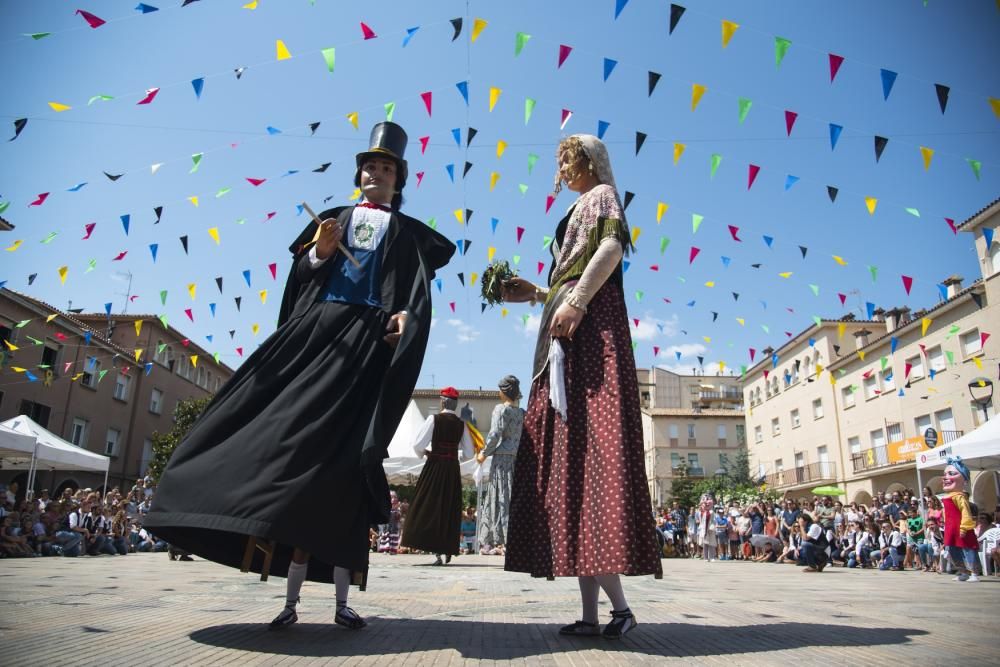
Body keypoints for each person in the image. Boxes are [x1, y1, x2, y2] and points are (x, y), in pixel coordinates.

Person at [144, 121, 455, 630]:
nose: (376, 173)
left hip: (365, 347)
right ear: (360, 174)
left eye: (387, 168)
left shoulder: (404, 233)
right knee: (277, 429)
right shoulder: (332, 219)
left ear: (399, 180)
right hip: (319, 333)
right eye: (370, 166)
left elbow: (412, 297)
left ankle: (340, 602)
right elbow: (301, 277)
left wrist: (404, 319)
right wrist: (320, 253)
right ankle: (282, 593)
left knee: (342, 468)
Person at [501, 134, 661, 640]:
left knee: (589, 459)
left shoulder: (602, 196)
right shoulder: (577, 208)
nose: (561, 169)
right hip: (568, 333)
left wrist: (577, 302)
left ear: (589, 161)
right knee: (575, 469)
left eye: (568, 160)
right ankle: (598, 615)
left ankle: (616, 611)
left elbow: (611, 248)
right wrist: (537, 293)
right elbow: (568, 279)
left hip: (587, 334)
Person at [400, 387, 475, 565]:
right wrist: (457, 456)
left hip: (434, 467)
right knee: (449, 508)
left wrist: (425, 453)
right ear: (455, 405)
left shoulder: (434, 419)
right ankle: (447, 548)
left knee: (428, 506)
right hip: (451, 469)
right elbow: (469, 453)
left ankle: (435, 551)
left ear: (442, 402)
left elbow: (418, 444)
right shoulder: (461, 424)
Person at [475, 375, 525, 556]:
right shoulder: (521, 413)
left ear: (504, 392)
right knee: (511, 497)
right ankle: (514, 538)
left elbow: (495, 434)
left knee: (499, 497)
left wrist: (483, 453)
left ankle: (498, 539)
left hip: (501, 459)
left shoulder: (500, 410)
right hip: (515, 458)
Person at [940, 457, 979, 582]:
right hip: (951, 528)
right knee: (952, 549)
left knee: (968, 549)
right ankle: (963, 572)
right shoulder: (947, 497)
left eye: (951, 474)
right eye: (945, 474)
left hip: (961, 527)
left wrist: (964, 527)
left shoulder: (960, 496)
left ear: (965, 480)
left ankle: (974, 573)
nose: (945, 477)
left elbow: (965, 512)